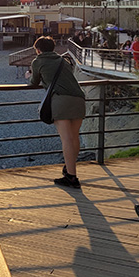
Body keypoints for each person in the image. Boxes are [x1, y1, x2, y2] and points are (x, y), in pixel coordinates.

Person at [25, 36, 86, 188]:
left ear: (38, 50)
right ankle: (69, 167)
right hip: (78, 99)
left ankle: (72, 177)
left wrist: (28, 76)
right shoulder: (62, 60)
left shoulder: (38, 61)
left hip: (61, 101)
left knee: (66, 139)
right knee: (74, 137)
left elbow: (34, 81)